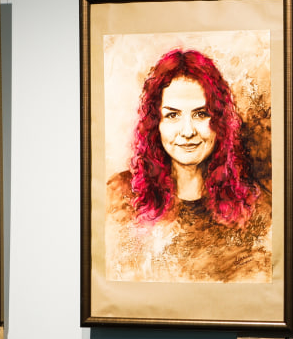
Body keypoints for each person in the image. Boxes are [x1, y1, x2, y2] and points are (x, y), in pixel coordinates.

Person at [106, 49, 270, 283]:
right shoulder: (118, 197)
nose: (187, 131)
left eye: (201, 114)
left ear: (220, 122)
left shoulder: (256, 208)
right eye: (172, 115)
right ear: (155, 124)